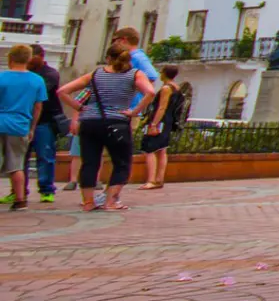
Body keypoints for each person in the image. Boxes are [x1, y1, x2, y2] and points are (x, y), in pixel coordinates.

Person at [58, 39, 156, 213]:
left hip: (90, 123)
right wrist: (134, 111)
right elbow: (150, 92)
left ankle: (88, 202)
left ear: (108, 58)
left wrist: (79, 108)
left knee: (89, 163)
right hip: (117, 122)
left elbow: (62, 91)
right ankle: (111, 201)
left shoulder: (95, 74)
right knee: (122, 162)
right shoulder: (135, 74)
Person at [0, 45, 46, 212]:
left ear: (10, 58)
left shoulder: (1, 77)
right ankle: (20, 200)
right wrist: (32, 128)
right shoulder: (36, 80)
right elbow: (38, 107)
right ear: (29, 59)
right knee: (17, 164)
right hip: (20, 125)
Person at [134, 64, 185, 190]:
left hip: (160, 121)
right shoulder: (177, 88)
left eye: (161, 72)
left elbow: (162, 107)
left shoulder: (166, 88)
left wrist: (153, 124)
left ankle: (151, 180)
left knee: (150, 150)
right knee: (162, 150)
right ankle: (159, 179)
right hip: (168, 122)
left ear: (164, 73)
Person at [27, 44, 63, 204]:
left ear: (40, 56)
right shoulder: (26, 73)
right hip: (25, 120)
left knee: (45, 155)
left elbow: (40, 94)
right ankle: (18, 190)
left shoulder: (50, 74)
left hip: (45, 121)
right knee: (21, 157)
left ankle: (47, 189)